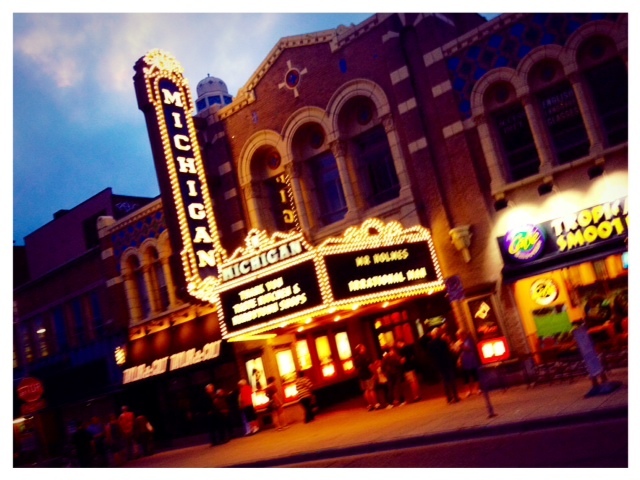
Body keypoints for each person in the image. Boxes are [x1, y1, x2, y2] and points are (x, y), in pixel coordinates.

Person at [426, 327, 461, 404]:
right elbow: (448, 351)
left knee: (445, 381)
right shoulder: (443, 342)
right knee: (451, 379)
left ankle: (449, 398)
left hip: (439, 364)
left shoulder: (430, 344)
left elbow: (431, 355)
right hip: (446, 362)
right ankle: (455, 396)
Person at [454, 329, 481, 397]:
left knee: (474, 375)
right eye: (458, 336)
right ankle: (468, 390)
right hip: (464, 361)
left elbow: (469, 348)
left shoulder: (469, 340)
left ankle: (477, 389)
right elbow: (456, 351)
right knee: (466, 376)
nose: (459, 337)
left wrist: (461, 345)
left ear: (463, 334)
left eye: (459, 335)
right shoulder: (460, 341)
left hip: (471, 360)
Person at [353, 344, 379, 411]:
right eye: (363, 347)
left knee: (366, 391)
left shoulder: (356, 358)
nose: (365, 348)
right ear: (361, 349)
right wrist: (374, 373)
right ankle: (376, 404)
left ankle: (370, 405)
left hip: (361, 376)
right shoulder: (365, 357)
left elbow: (356, 368)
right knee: (371, 389)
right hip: (368, 375)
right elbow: (370, 366)